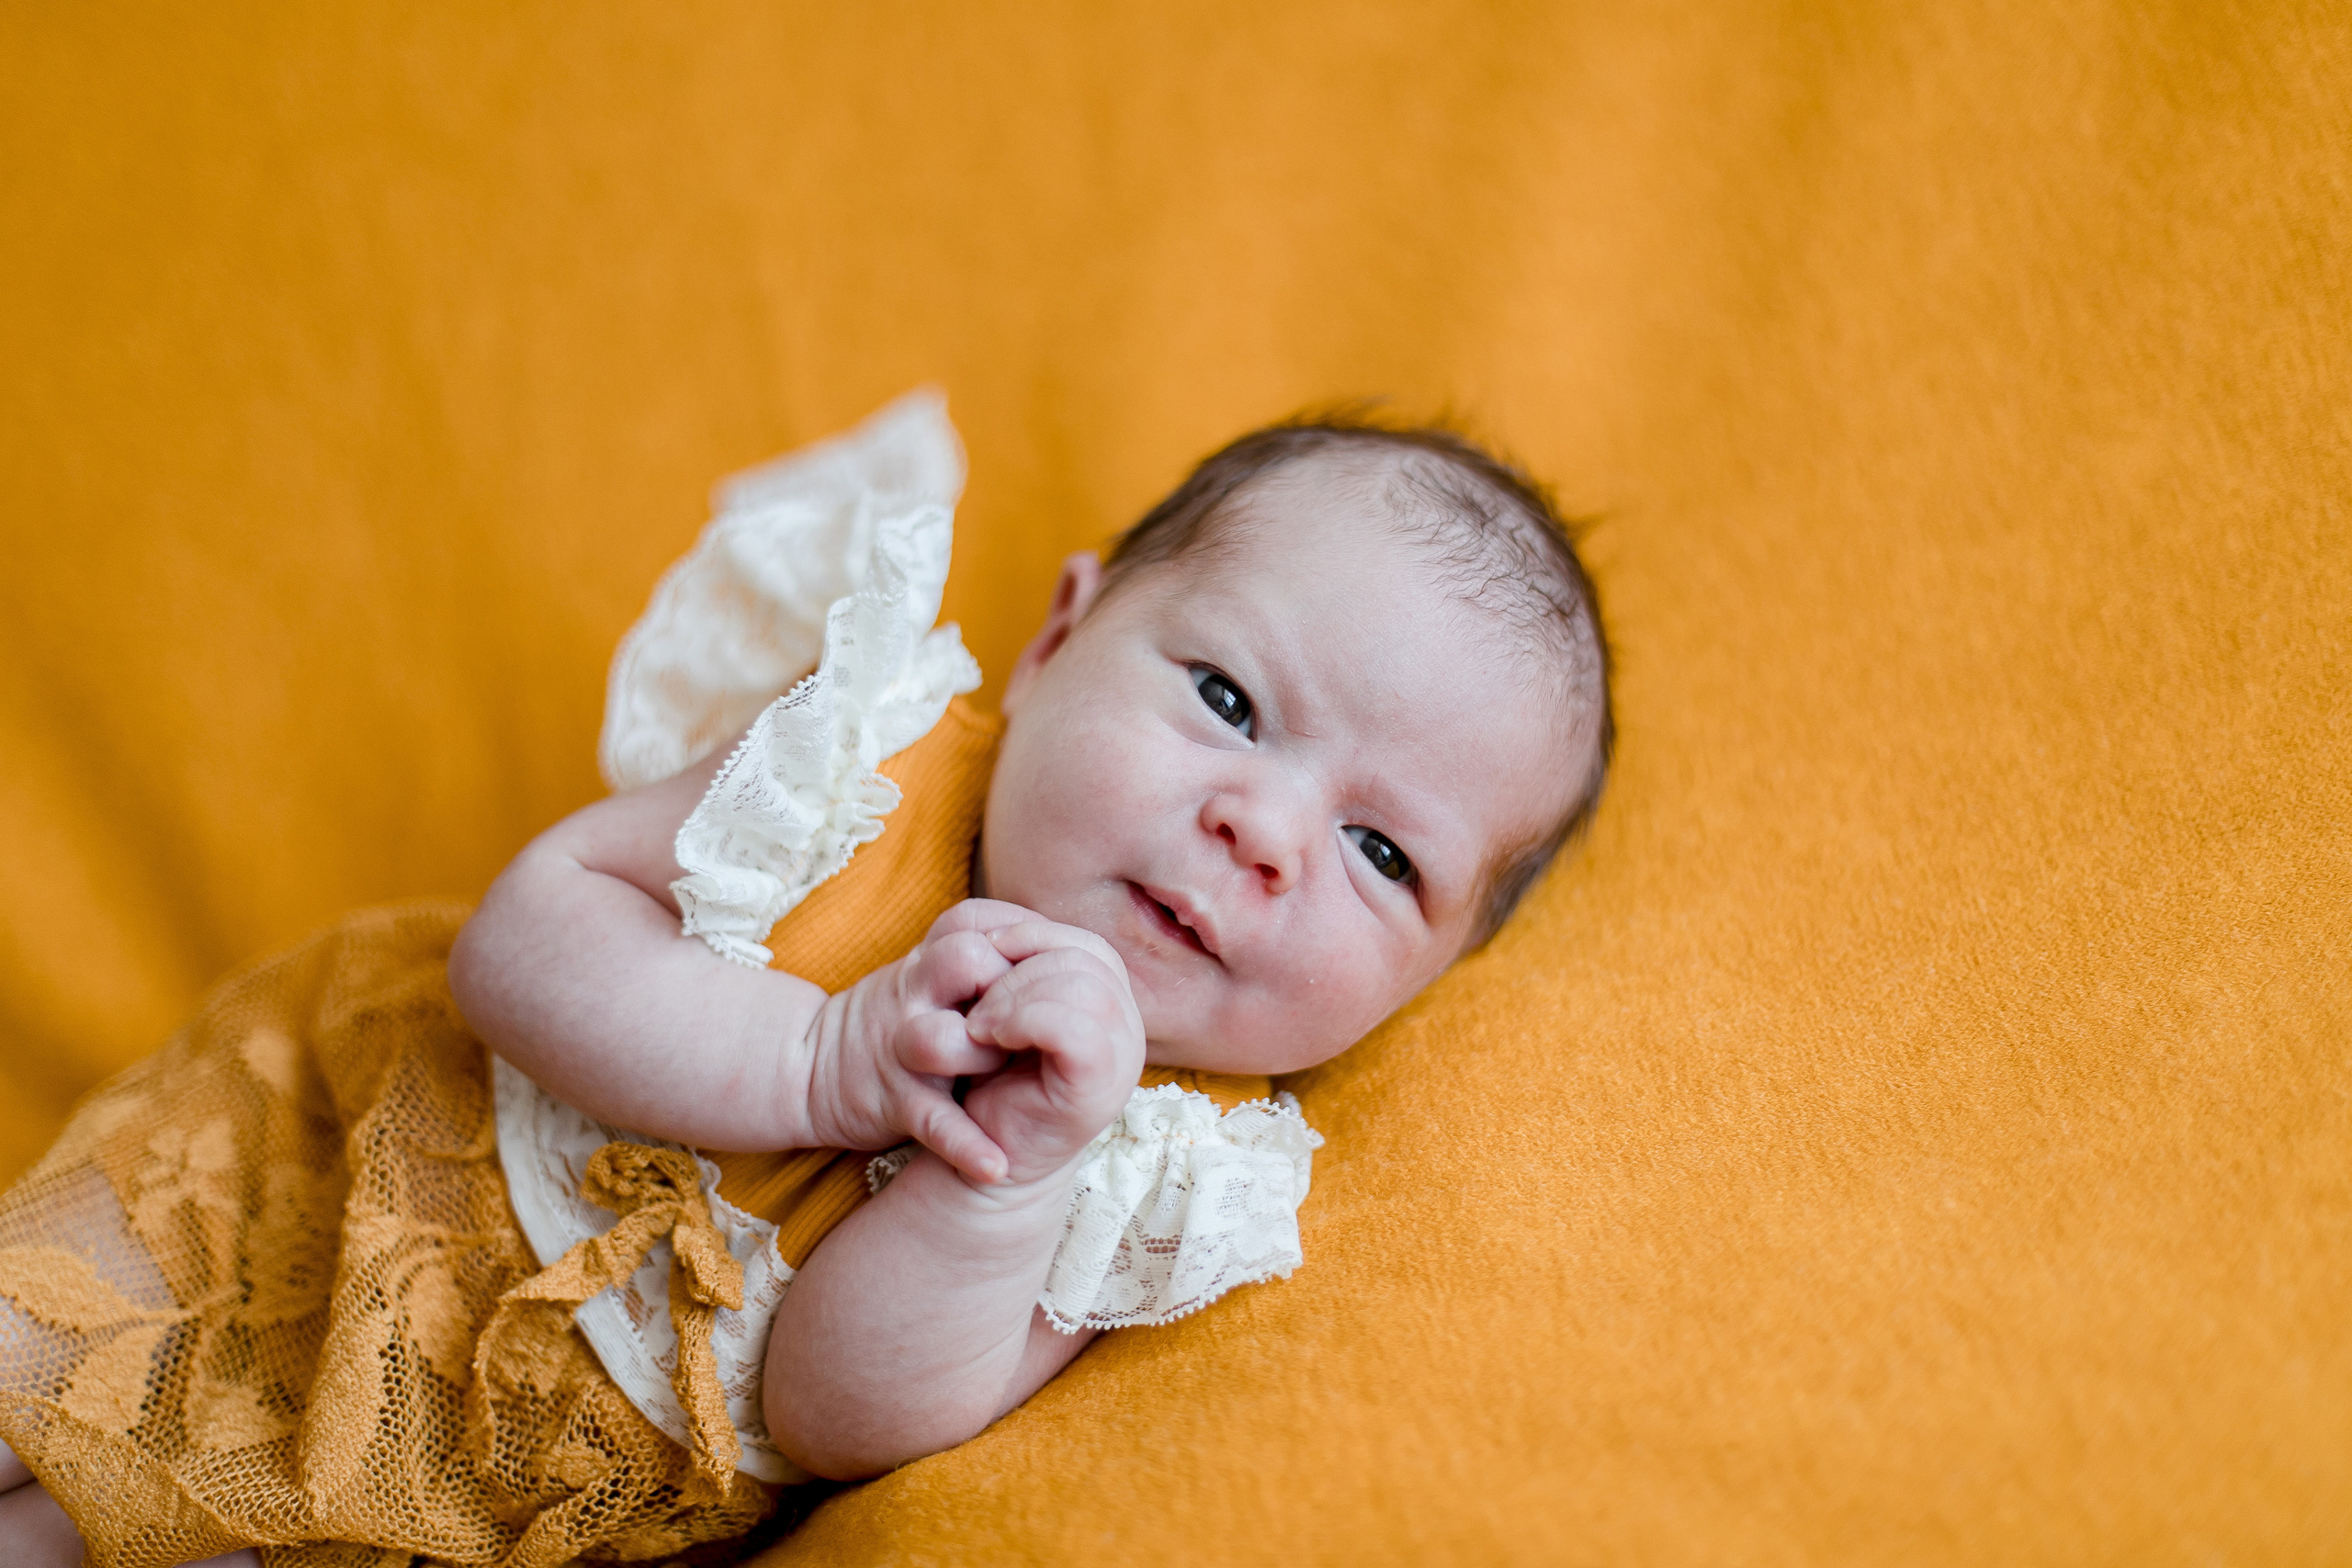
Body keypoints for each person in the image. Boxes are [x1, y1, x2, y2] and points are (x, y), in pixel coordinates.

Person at [0, 392, 1611, 1567]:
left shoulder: (1158, 1157)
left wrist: (998, 1187)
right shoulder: (870, 770)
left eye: (1382, 854)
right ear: (1059, 640)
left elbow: (833, 1413)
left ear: (1435, 975)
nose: (1264, 833)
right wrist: (820, 1063)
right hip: (343, 1162)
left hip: (477, 1482)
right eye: (1229, 701)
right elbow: (523, 937)